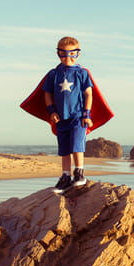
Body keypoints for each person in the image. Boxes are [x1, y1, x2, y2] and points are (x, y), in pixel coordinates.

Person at [43, 36, 93, 193]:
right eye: (63, 54)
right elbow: (47, 93)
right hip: (61, 118)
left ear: (77, 54)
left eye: (71, 53)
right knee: (64, 149)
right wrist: (51, 111)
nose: (67, 58)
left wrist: (87, 114)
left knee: (77, 146)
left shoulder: (82, 73)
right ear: (58, 54)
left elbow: (88, 94)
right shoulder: (53, 74)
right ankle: (65, 176)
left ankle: (79, 173)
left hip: (77, 117)